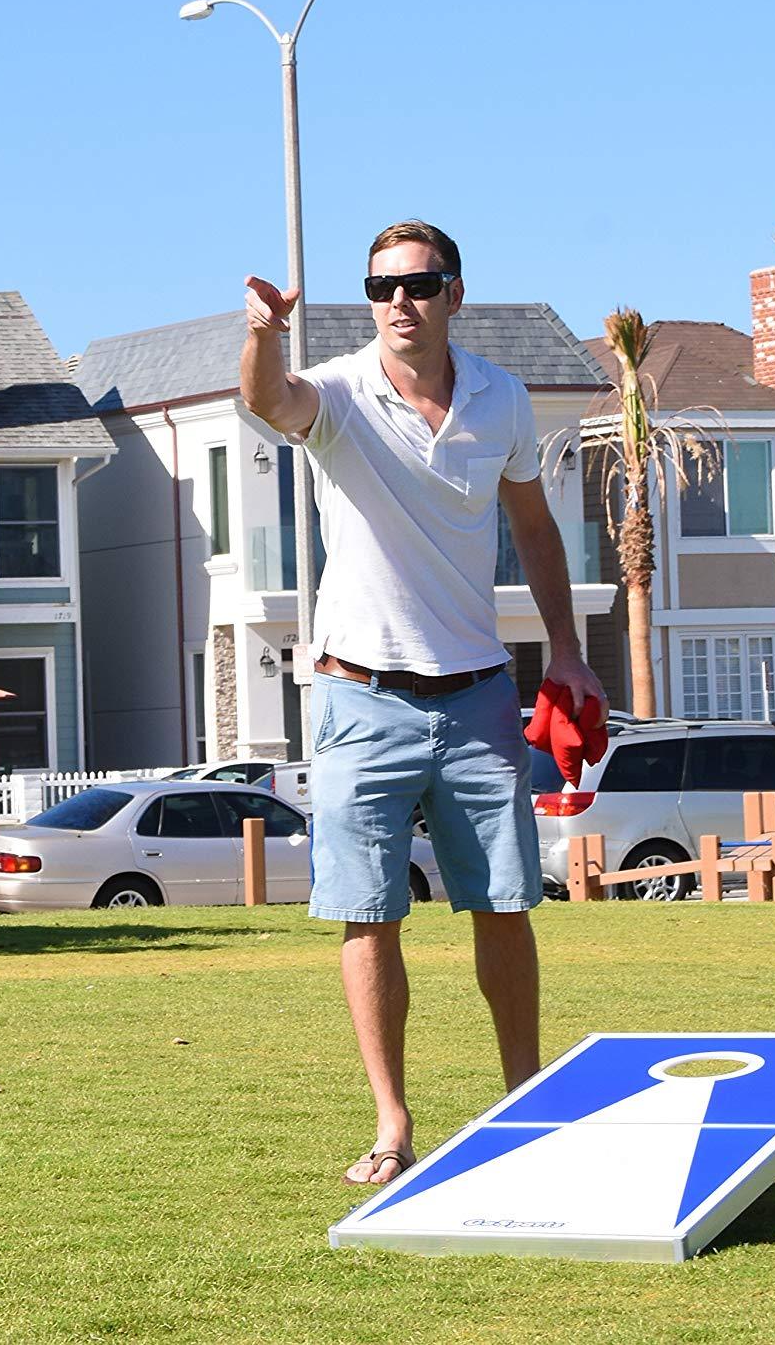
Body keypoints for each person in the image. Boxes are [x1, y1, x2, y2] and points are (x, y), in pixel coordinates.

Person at [240, 219, 606, 1187]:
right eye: (382, 286)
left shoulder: (503, 399)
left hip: (479, 693)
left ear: (454, 293)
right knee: (370, 915)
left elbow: (533, 530)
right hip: (359, 695)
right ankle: (393, 1125)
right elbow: (269, 399)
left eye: (420, 283)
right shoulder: (342, 392)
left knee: (505, 905)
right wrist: (266, 333)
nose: (399, 300)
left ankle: (526, 1103)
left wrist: (568, 653)